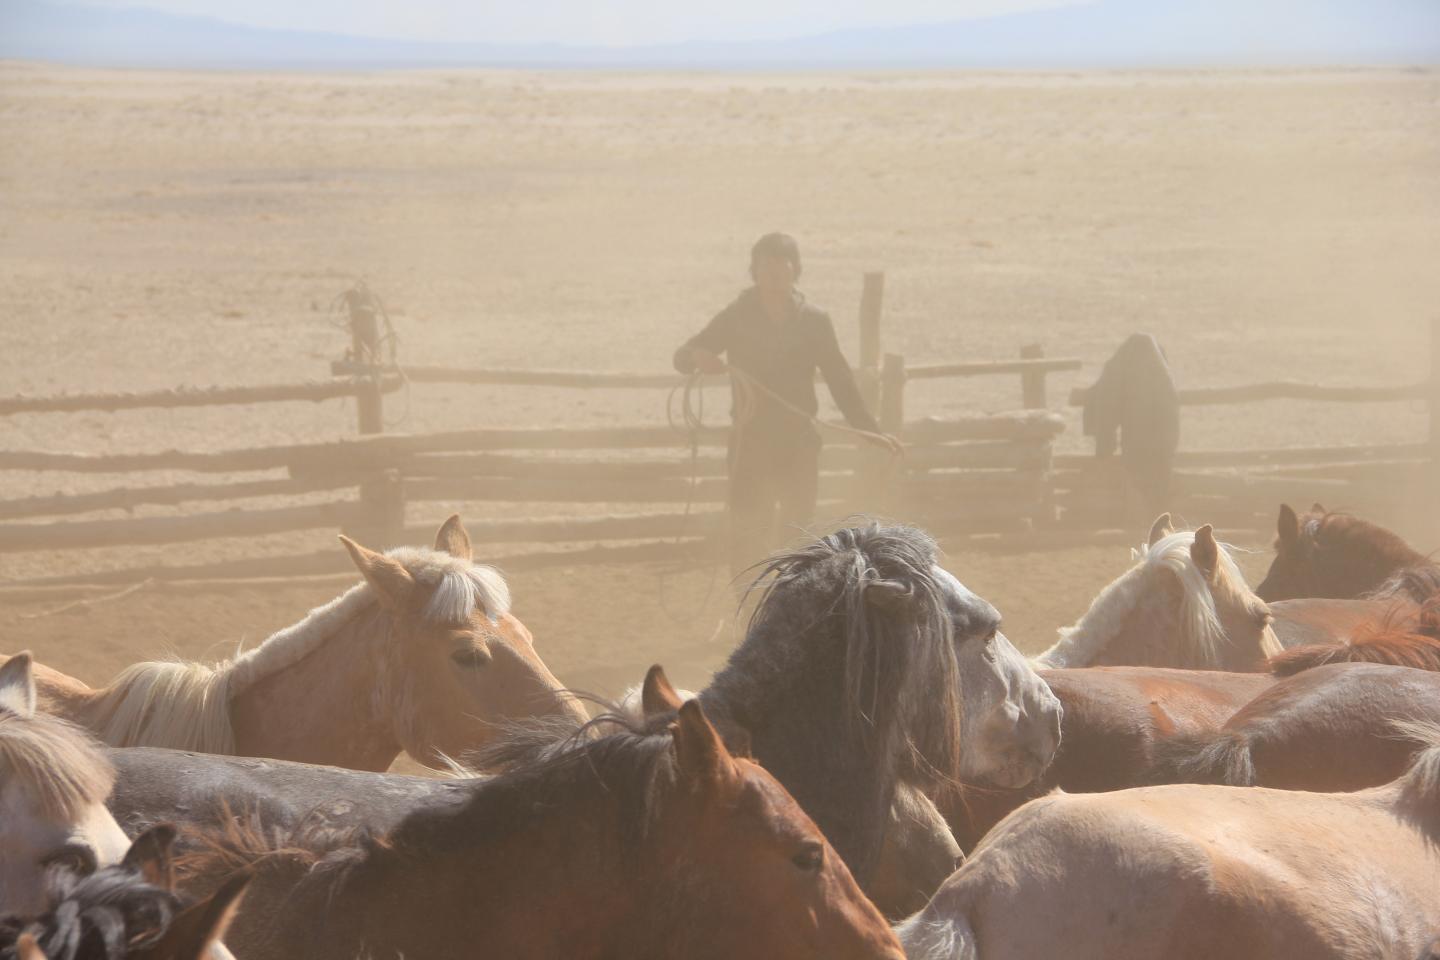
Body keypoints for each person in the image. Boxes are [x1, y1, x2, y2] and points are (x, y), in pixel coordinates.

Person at [673, 232, 901, 578]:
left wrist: (870, 431)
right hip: (750, 444)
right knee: (749, 532)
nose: (774, 273)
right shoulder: (736, 317)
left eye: (782, 266)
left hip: (798, 444)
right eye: (766, 266)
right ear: (754, 272)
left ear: (796, 271)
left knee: (799, 534)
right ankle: (747, 611)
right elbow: (682, 357)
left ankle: (793, 609)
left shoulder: (814, 321)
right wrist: (697, 356)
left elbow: (840, 380)